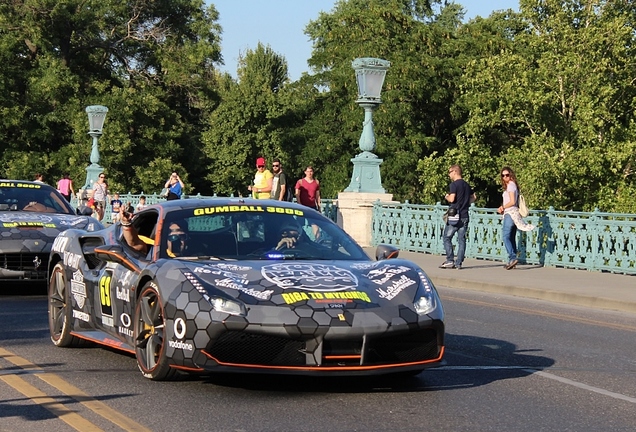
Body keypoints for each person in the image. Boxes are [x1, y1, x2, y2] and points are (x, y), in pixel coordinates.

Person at [497, 166, 535, 270]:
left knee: (505, 236)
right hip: (514, 214)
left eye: (507, 175)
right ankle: (512, 260)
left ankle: (512, 258)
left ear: (511, 175)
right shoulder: (513, 185)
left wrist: (502, 207)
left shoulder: (510, 185)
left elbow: (512, 201)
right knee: (511, 237)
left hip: (510, 214)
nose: (505, 177)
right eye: (503, 175)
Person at [440, 165, 476, 270]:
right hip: (465, 215)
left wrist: (446, 196)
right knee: (461, 240)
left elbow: (452, 199)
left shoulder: (454, 185)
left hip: (455, 215)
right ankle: (459, 263)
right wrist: (466, 203)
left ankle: (450, 260)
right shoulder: (466, 184)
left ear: (455, 172)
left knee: (447, 237)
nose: (449, 174)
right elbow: (474, 197)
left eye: (450, 172)